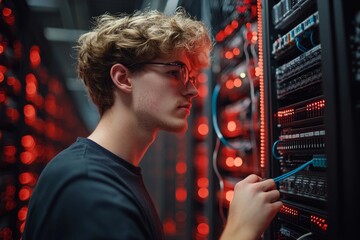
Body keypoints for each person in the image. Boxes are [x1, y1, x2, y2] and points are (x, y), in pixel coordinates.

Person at [22, 7, 282, 240]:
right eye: (175, 72)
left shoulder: (106, 173)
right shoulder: (87, 188)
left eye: (191, 77)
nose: (192, 90)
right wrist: (240, 231)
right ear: (123, 78)